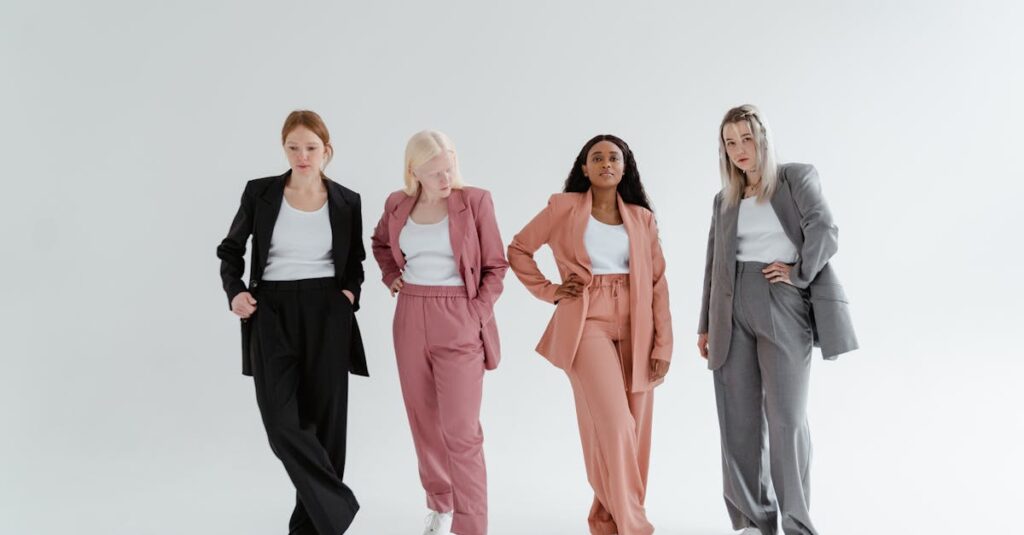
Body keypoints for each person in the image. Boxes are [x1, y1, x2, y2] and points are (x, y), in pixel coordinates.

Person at [697, 104, 858, 535]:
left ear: (762, 138)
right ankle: (753, 520)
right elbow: (714, 264)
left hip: (781, 299)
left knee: (786, 417)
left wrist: (798, 272)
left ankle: (797, 522)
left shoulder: (795, 178)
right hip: (730, 308)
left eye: (746, 139)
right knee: (738, 420)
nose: (739, 150)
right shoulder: (724, 200)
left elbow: (824, 227)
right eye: (730, 143)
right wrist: (705, 324)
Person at [507, 134, 672, 535]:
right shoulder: (563, 208)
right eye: (595, 157)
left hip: (638, 323)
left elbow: (657, 282)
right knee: (616, 426)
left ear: (625, 166)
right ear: (584, 168)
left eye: (613, 157)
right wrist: (550, 290)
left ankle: (606, 520)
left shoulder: (641, 217)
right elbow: (518, 249)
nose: (605, 163)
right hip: (587, 322)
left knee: (636, 431)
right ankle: (636, 526)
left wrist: (663, 344)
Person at [217, 110, 367, 535]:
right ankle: (341, 506)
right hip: (272, 311)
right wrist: (235, 291)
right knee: (282, 423)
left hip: (327, 312)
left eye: (311, 147)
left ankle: (309, 530)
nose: (302, 155)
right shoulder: (260, 193)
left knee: (327, 428)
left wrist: (350, 295)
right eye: (293, 147)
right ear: (283, 148)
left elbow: (354, 262)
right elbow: (230, 249)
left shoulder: (346, 201)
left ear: (327, 150)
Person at [371, 130, 507, 535]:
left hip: (458, 314)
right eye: (435, 173)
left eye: (449, 168)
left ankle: (470, 527)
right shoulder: (397, 203)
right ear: (414, 171)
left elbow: (496, 266)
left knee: (461, 430)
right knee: (423, 421)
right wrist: (392, 277)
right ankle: (439, 503)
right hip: (410, 313)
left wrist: (475, 313)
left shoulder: (475, 201)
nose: (446, 178)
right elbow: (380, 244)